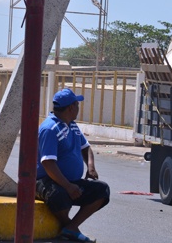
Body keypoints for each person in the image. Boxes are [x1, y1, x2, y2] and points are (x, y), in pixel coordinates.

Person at [35, 88, 110, 243]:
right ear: (71, 107)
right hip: (46, 180)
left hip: (69, 181)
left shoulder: (72, 126)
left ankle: (71, 227)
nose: (78, 108)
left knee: (102, 191)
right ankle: (70, 228)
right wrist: (68, 186)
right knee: (59, 195)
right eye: (77, 105)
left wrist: (90, 167)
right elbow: (48, 163)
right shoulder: (50, 129)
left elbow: (86, 147)